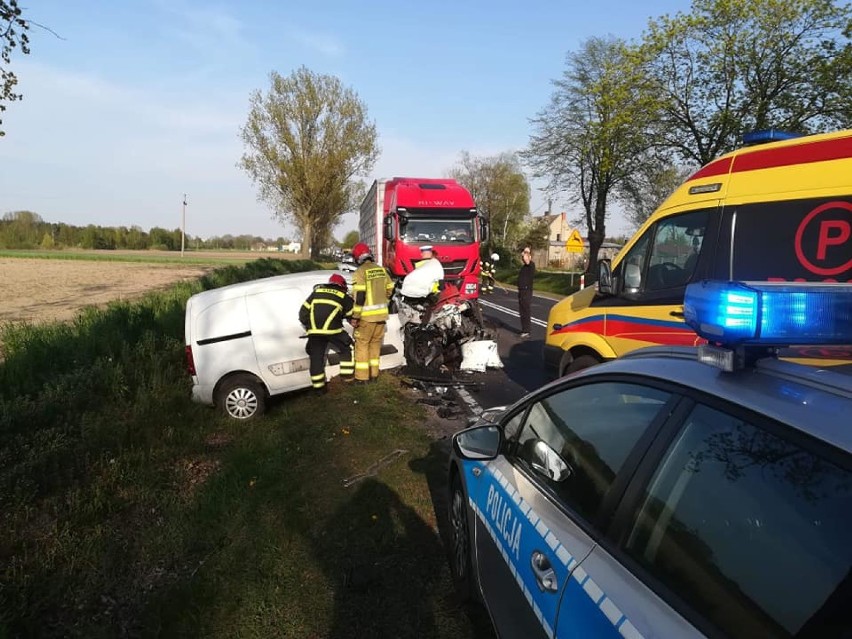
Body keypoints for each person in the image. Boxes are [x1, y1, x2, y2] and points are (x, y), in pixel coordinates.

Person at [299, 273, 355, 394]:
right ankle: (347, 378)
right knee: (346, 348)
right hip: (334, 331)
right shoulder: (343, 296)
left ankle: (319, 389)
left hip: (315, 332)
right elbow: (352, 314)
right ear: (342, 286)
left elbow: (302, 313)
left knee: (316, 358)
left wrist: (310, 327)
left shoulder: (316, 293)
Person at [350, 242, 394, 382]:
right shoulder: (381, 270)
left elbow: (360, 297)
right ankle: (374, 375)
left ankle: (362, 378)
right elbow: (390, 289)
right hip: (381, 317)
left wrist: (355, 317)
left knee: (362, 346)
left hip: (366, 318)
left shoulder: (360, 272)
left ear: (357, 258)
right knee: (375, 346)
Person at [517, 247, 535, 338]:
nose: (523, 255)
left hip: (526, 291)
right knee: (522, 311)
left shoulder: (531, 265)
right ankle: (524, 329)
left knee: (525, 311)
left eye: (526, 254)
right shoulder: (524, 267)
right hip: (521, 291)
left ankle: (526, 330)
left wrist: (526, 252)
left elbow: (527, 259)